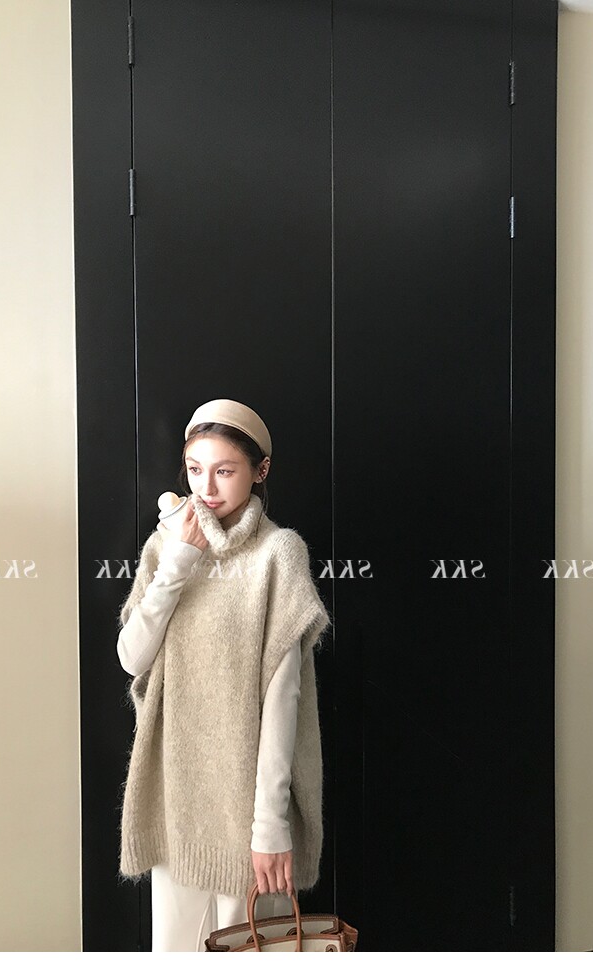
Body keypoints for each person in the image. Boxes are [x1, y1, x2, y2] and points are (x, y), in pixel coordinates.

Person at [115, 399, 331, 951]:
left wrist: (270, 826)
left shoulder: (279, 554)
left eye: (224, 470)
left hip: (248, 811)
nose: (205, 487)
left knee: (250, 948)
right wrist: (178, 563)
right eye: (194, 469)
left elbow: (283, 701)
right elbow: (132, 657)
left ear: (260, 470)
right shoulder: (166, 546)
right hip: (177, 801)